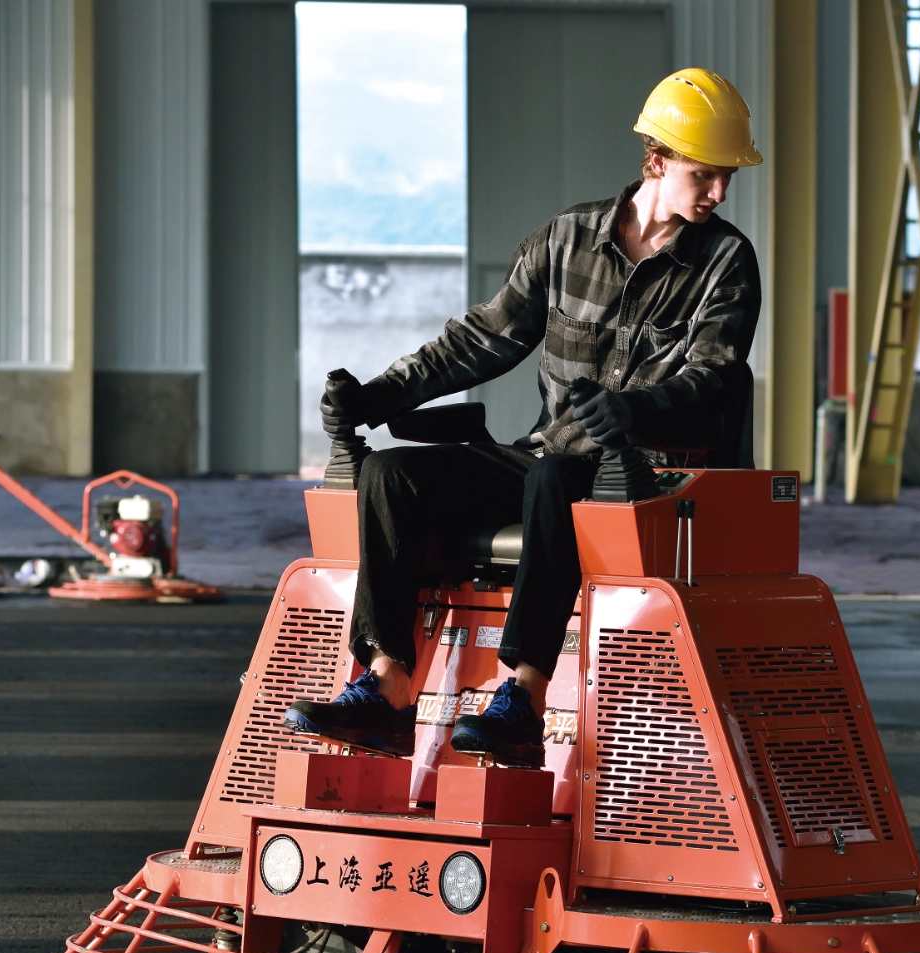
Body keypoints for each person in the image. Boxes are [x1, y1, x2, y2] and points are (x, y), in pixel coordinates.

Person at [284, 68, 764, 766]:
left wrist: (630, 411)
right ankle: (387, 689)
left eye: (727, 179)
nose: (719, 193)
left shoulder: (725, 262)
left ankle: (523, 698)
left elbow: (715, 377)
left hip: (643, 476)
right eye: (707, 175)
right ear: (657, 160)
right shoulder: (567, 239)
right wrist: (378, 398)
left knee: (554, 483)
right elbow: (482, 339)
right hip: (549, 456)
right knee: (391, 475)